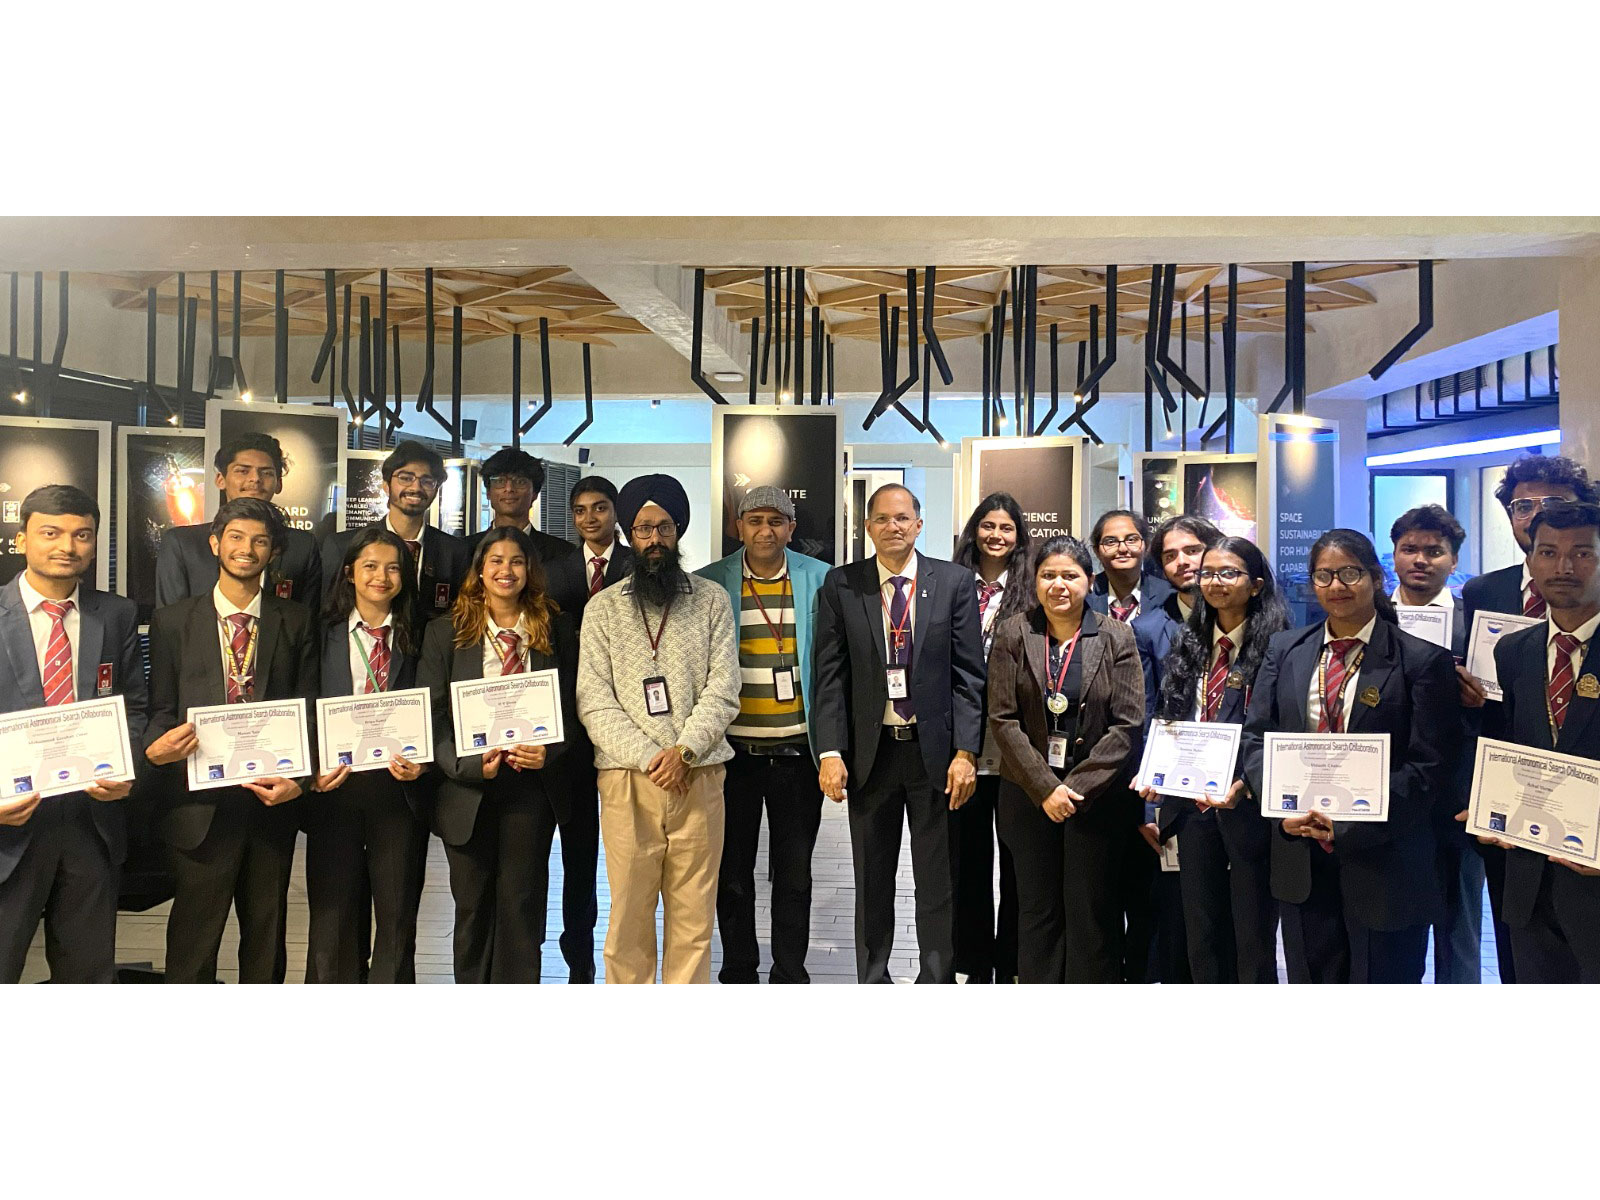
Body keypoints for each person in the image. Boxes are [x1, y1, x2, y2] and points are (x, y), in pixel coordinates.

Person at [1241, 529, 1457, 984]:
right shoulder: (1285, 651)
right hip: (1300, 852)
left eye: (1350, 573)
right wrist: (1282, 809)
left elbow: (1429, 766)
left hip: (1386, 858)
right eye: (1324, 575)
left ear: (1376, 578)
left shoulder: (1421, 661)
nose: (1336, 586)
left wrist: (1350, 822)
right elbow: (1257, 738)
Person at [812, 483, 985, 984]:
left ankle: (935, 978)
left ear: (919, 523)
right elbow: (830, 675)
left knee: (937, 881)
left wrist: (966, 751)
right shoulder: (843, 585)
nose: (894, 527)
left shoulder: (953, 582)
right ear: (867, 527)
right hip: (872, 755)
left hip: (935, 756)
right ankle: (874, 977)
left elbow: (969, 675)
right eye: (883, 519)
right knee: (872, 878)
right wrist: (829, 751)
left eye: (903, 518)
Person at [143, 497, 319, 983]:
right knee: (193, 940)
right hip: (198, 806)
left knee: (266, 937)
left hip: (270, 802)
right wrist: (155, 750)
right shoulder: (173, 621)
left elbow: (308, 709)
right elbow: (160, 708)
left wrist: (300, 782)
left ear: (274, 552)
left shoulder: (296, 620)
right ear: (215, 543)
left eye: (260, 541)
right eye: (237, 538)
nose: (247, 549)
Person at [577, 475, 741, 984]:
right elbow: (593, 699)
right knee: (628, 917)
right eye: (643, 528)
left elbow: (724, 686)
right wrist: (653, 756)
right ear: (628, 534)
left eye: (664, 527)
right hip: (628, 781)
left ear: (678, 531)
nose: (654, 539)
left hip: (700, 775)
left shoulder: (711, 599)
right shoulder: (602, 607)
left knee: (694, 919)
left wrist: (685, 751)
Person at [415, 526, 583, 982]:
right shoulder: (445, 632)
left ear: (530, 570)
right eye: (496, 560)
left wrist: (549, 750)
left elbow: (575, 705)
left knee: (522, 905)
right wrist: (468, 764)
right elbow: (430, 716)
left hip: (530, 788)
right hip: (466, 788)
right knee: (471, 906)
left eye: (516, 561)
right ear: (480, 570)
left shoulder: (556, 628)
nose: (505, 570)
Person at [1460, 453, 1599, 983]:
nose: (1563, 567)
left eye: (1582, 553)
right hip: (1529, 874)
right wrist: (1485, 804)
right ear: (1531, 560)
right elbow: (1508, 745)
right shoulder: (1514, 651)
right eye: (1549, 553)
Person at [0, 485, 147, 984]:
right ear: (22, 539)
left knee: (86, 977)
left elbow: (134, 708)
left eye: (82, 534)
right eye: (51, 532)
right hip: (8, 828)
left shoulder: (117, 614)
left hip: (91, 822)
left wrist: (128, 771)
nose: (68, 545)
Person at [986, 535, 1146, 982]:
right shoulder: (1014, 632)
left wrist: (1072, 789)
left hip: (1093, 802)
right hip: (1027, 797)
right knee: (1036, 909)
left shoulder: (1117, 636)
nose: (1059, 585)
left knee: (1091, 908)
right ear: (1035, 582)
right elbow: (1002, 719)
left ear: (1088, 581)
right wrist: (1045, 788)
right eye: (1048, 575)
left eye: (1070, 575)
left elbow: (1128, 723)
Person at [695, 486, 830, 984]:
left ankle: (790, 972)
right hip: (732, 758)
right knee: (731, 875)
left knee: (794, 875)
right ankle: (738, 970)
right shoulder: (709, 584)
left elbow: (834, 669)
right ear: (739, 527)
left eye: (777, 521)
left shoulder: (821, 580)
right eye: (755, 521)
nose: (765, 530)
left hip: (798, 754)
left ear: (791, 528)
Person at [1141, 537, 1288, 983]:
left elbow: (1281, 728)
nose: (1215, 582)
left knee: (1253, 934)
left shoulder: (1282, 647)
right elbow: (1169, 718)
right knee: (1200, 931)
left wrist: (1246, 780)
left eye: (1229, 573)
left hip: (1248, 807)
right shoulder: (1190, 642)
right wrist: (1156, 777)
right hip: (1191, 808)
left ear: (1257, 584)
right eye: (1208, 573)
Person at [304, 527, 429, 983]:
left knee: (396, 918)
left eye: (393, 567)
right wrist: (311, 768)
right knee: (333, 916)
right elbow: (303, 703)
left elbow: (434, 706)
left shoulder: (422, 634)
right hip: (334, 788)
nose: (382, 576)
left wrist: (425, 759)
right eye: (371, 566)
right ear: (350, 572)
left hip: (399, 791)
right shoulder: (319, 633)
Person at [1123, 514, 1220, 985]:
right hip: (1176, 789)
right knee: (1179, 913)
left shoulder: (1259, 620)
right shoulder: (1146, 630)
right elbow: (1143, 717)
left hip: (1236, 789)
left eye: (1192, 549)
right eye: (1170, 555)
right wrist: (1149, 805)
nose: (1183, 561)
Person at [1389, 504, 1483, 984]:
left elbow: (1502, 709)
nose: (1420, 560)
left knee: (1459, 922)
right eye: (1410, 549)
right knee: (1390, 923)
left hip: (1456, 790)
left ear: (1453, 559)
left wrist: (1477, 701)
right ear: (1394, 554)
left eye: (1434, 551)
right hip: (1387, 785)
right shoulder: (1371, 617)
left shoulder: (1476, 625)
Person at [949, 491, 1030, 983]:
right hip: (962, 742)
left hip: (1015, 745)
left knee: (1018, 861)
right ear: (974, 530)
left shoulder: (1029, 590)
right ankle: (974, 963)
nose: (997, 536)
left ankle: (1013, 962)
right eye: (988, 526)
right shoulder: (953, 584)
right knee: (967, 860)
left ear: (1019, 537)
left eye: (1007, 528)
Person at [157, 432, 322, 613]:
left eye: (266, 472)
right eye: (243, 471)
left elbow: (308, 623)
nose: (255, 479)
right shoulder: (183, 544)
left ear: (278, 483)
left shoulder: (301, 546)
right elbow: (170, 624)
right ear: (220, 480)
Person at [321, 440, 473, 629]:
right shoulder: (342, 546)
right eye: (405, 477)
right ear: (386, 485)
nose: (416, 488)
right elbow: (328, 616)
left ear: (436, 489)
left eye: (427, 481)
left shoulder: (455, 552)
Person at [482, 447, 584, 614]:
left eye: (520, 481)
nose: (509, 489)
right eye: (499, 481)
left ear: (535, 493)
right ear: (488, 492)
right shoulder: (465, 551)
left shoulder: (565, 555)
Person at [545, 475, 634, 618]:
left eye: (600, 508)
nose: (589, 519)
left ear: (617, 513)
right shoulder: (554, 571)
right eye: (580, 511)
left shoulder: (636, 565)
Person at [1087, 509, 1171, 622]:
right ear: (1097, 551)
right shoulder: (1085, 594)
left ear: (1146, 545)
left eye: (1131, 540)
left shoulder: (1168, 595)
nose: (1122, 549)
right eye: (1111, 542)